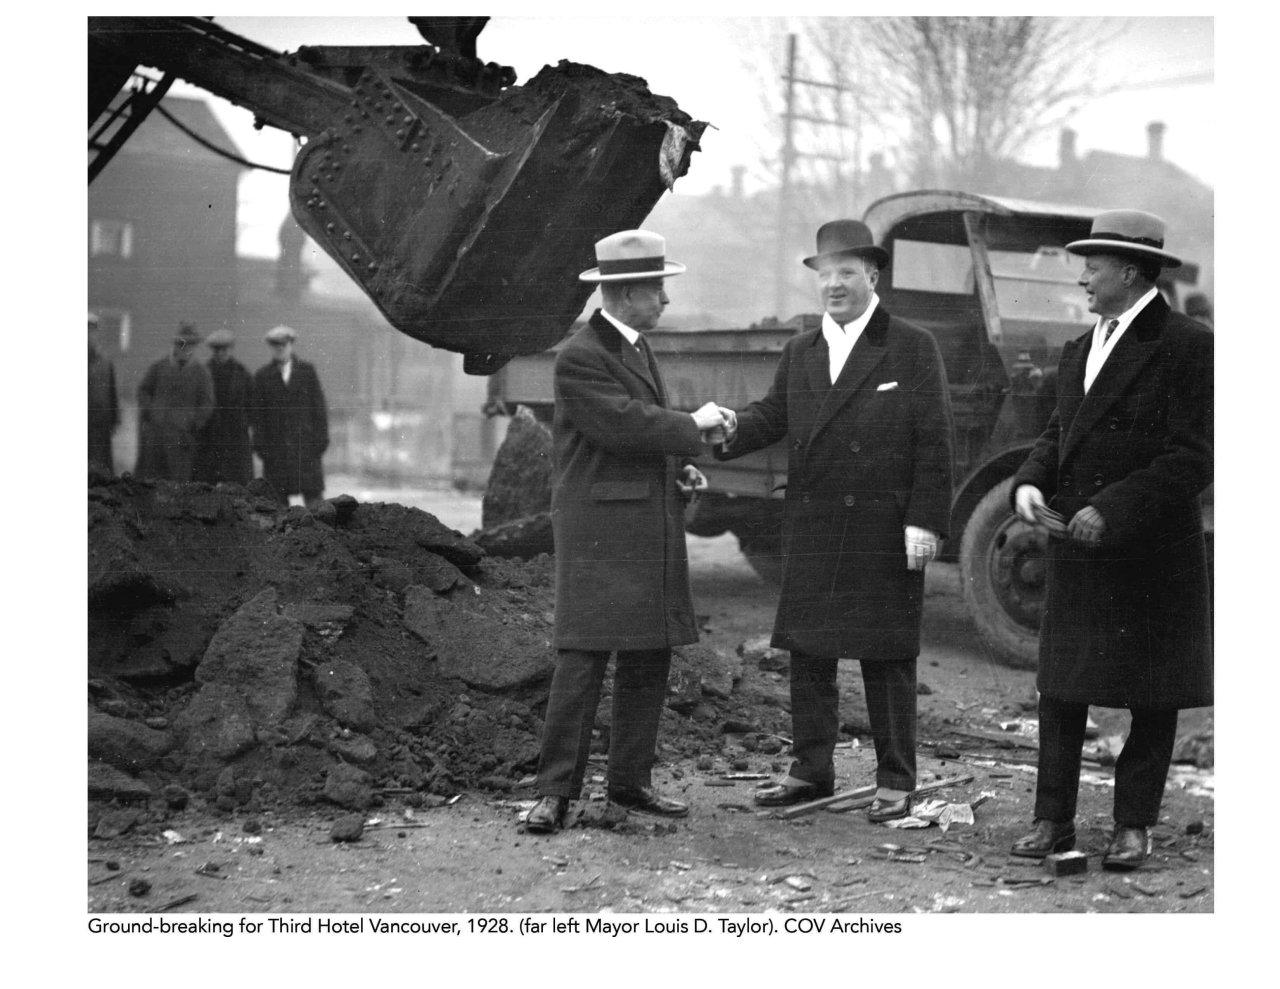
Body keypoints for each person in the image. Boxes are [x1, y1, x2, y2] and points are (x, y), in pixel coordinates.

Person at [714, 219, 954, 822]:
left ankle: (897, 777)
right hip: (816, 521)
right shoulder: (802, 350)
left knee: (887, 654)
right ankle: (809, 769)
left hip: (883, 526)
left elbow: (935, 441)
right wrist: (733, 428)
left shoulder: (911, 345)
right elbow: (775, 414)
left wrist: (925, 522)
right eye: (825, 273)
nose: (834, 284)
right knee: (809, 651)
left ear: (872, 276)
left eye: (847, 272)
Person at [1008, 209, 1212, 871]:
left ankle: (1133, 825)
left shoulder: (1189, 344)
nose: (1083, 277)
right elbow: (1057, 435)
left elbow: (1195, 455)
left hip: (1149, 548)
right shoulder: (1079, 348)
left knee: (1151, 693)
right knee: (1061, 687)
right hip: (1079, 541)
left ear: (1129, 270)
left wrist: (1111, 508)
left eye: (1092, 265)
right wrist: (1030, 483)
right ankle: (1052, 818)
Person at [524, 229, 728, 834]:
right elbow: (621, 424)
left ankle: (628, 783)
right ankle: (554, 792)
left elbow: (632, 439)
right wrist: (692, 426)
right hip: (601, 531)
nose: (665, 299)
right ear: (626, 293)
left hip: (640, 523)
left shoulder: (634, 347)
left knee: (648, 655)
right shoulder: (582, 354)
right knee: (583, 657)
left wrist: (679, 467)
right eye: (658, 288)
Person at [251, 325, 330, 508]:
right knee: (277, 509)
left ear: (291, 345)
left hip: (306, 452)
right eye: (275, 345)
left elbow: (319, 409)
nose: (279, 348)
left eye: (283, 344)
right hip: (276, 456)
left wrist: (320, 442)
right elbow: (258, 417)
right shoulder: (262, 377)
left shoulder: (307, 372)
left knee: (316, 509)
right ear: (270, 347)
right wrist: (262, 448)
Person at [135, 322, 215, 482]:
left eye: (191, 344)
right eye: (181, 344)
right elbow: (142, 391)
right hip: (156, 436)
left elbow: (207, 404)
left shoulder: (201, 373)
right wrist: (152, 411)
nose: (185, 348)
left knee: (178, 484)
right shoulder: (159, 367)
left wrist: (192, 421)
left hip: (182, 438)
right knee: (150, 482)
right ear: (175, 345)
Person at [194, 328, 255, 486]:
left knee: (239, 491)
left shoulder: (243, 374)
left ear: (231, 349)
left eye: (224, 349)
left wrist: (244, 424)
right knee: (205, 491)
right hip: (208, 440)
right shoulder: (201, 373)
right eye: (217, 349)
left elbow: (254, 406)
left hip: (236, 441)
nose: (220, 353)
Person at [88, 312, 119, 474]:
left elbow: (111, 392)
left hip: (99, 427)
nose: (88, 336)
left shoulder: (105, 362)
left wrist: (114, 419)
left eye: (91, 332)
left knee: (99, 471)